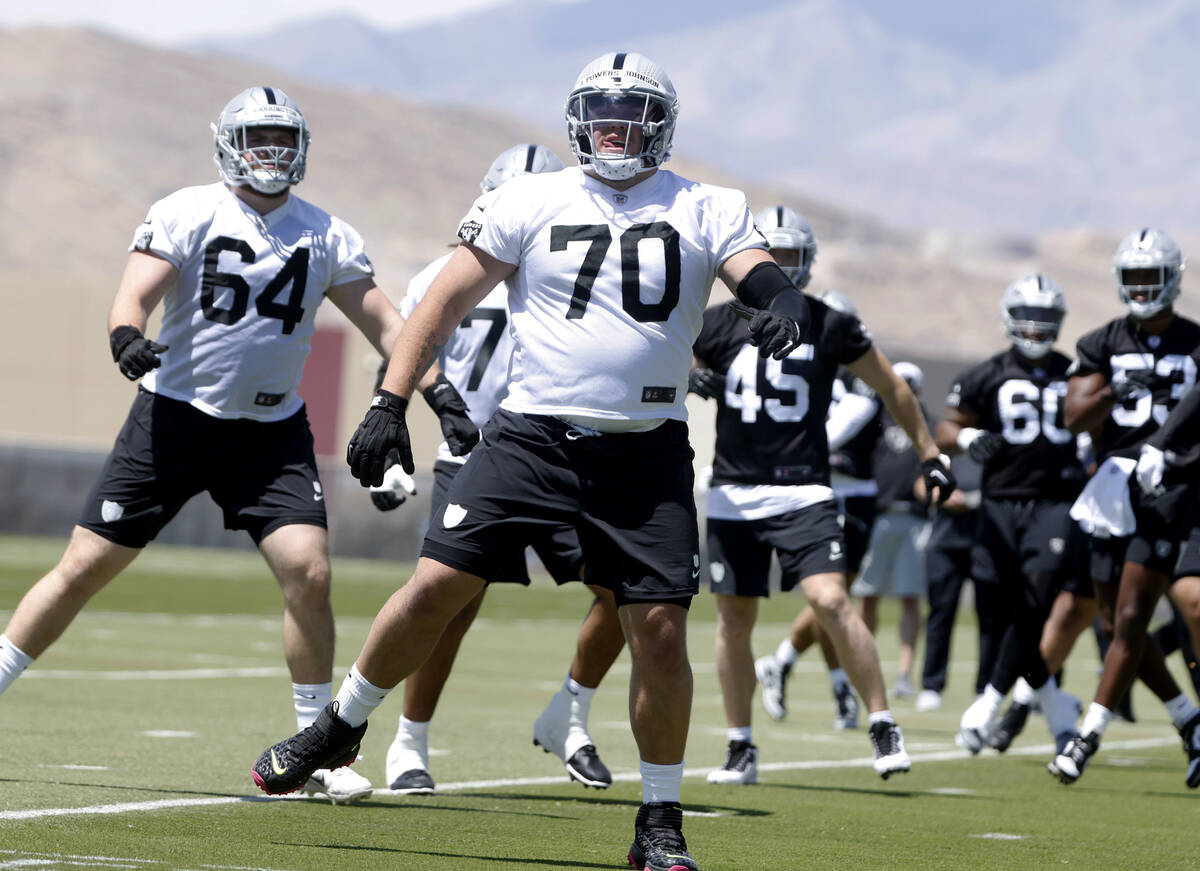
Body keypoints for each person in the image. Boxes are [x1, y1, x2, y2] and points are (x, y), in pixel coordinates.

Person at [251, 52, 816, 871]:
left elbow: (755, 274)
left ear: (660, 125)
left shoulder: (707, 204)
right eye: (603, 114)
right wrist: (388, 399)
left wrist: (784, 299)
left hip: (646, 447)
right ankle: (341, 721)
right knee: (437, 586)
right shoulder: (527, 198)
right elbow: (440, 300)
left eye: (632, 116)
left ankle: (659, 817)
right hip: (530, 437)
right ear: (579, 120)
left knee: (658, 630)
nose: (615, 131)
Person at [0, 87, 408, 804]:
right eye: (257, 137)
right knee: (82, 568)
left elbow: (390, 327)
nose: (271, 151)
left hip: (271, 433)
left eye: (282, 137)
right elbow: (134, 293)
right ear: (227, 143)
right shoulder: (188, 209)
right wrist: (126, 335)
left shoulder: (328, 232)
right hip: (175, 418)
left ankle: (315, 749)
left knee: (310, 572)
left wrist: (411, 395)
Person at [372, 144, 624, 794]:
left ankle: (569, 712)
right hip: (474, 457)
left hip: (561, 456)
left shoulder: (578, 275)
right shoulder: (445, 273)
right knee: (450, 606)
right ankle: (408, 742)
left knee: (630, 588)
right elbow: (410, 349)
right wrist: (417, 415)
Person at [691, 207, 956, 785]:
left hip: (805, 487)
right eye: (772, 258)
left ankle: (882, 721)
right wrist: (688, 375)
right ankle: (740, 745)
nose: (780, 269)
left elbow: (892, 385)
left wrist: (932, 454)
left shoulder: (827, 322)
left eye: (790, 259)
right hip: (734, 489)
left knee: (832, 600)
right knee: (733, 618)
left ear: (808, 263)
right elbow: (664, 360)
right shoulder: (713, 324)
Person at [1051, 228, 1200, 787]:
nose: (1140, 288)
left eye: (1150, 277)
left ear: (1172, 280)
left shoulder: (1195, 341)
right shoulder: (1101, 342)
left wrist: (1177, 460)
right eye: (1132, 277)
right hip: (1114, 492)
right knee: (1116, 624)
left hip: (1172, 492)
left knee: (1134, 617)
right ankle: (1190, 721)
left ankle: (1086, 736)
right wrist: (1113, 390)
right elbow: (1073, 419)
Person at [936, 274, 1085, 754]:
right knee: (1002, 610)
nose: (1036, 329)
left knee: (1036, 601)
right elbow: (944, 428)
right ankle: (1058, 705)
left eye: (1045, 319)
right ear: (1009, 319)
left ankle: (990, 700)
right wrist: (964, 440)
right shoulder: (986, 374)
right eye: (1028, 317)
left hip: (1056, 502)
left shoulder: (1077, 372)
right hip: (1000, 505)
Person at [850, 361, 932, 700]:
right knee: (867, 595)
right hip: (877, 515)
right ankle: (863, 666)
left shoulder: (925, 420)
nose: (904, 390)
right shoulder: (873, 417)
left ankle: (903, 674)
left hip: (913, 519)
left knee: (910, 598)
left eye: (910, 385)